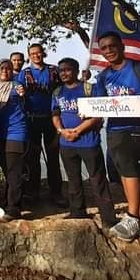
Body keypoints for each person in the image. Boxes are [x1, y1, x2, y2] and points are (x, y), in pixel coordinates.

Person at [96, 31, 140, 241]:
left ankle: (132, 216)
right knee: (127, 175)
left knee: (127, 162)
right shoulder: (103, 76)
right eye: (104, 48)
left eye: (112, 46)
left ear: (121, 46)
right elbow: (100, 105)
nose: (108, 51)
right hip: (114, 130)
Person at [51, 58, 117, 226]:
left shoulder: (89, 89)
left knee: (98, 180)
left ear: (76, 70)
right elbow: (55, 114)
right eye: (61, 70)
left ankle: (108, 218)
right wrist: (61, 131)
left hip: (89, 143)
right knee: (73, 180)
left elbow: (97, 115)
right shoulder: (58, 92)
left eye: (67, 69)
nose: (64, 73)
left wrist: (78, 131)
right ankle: (77, 212)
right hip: (67, 144)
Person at [18, 42, 65, 207]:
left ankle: (56, 192)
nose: (36, 56)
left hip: (51, 119)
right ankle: (33, 192)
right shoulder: (24, 74)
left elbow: (65, 87)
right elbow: (17, 92)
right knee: (33, 158)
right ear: (29, 56)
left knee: (53, 157)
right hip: (32, 120)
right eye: (32, 54)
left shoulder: (53, 71)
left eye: (38, 53)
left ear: (43, 53)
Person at [0, 59, 27, 220]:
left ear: (13, 71)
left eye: (8, 68)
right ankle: (8, 201)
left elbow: (26, 101)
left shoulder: (17, 87)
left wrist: (24, 95)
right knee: (7, 170)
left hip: (16, 133)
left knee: (14, 172)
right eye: (2, 68)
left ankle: (14, 208)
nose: (5, 71)